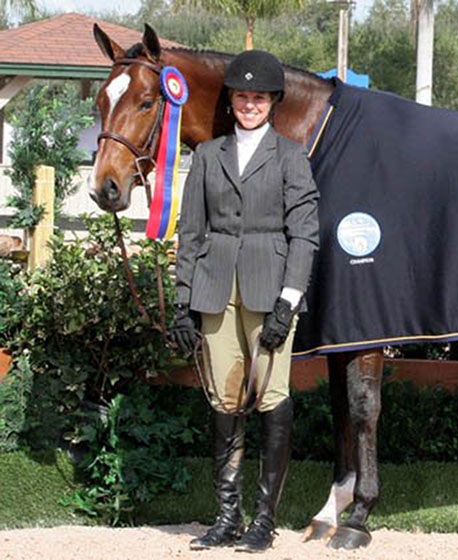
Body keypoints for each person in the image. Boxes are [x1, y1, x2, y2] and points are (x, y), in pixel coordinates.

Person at [168, 50, 319, 553]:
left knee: (271, 398)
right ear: (231, 101)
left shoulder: (291, 156)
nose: (249, 105)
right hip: (215, 290)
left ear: (273, 102)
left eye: (259, 97)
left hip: (270, 289)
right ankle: (227, 516)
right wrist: (183, 302)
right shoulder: (208, 156)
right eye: (242, 97)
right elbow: (191, 233)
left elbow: (305, 236)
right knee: (223, 400)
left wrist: (288, 302)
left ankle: (264, 520)